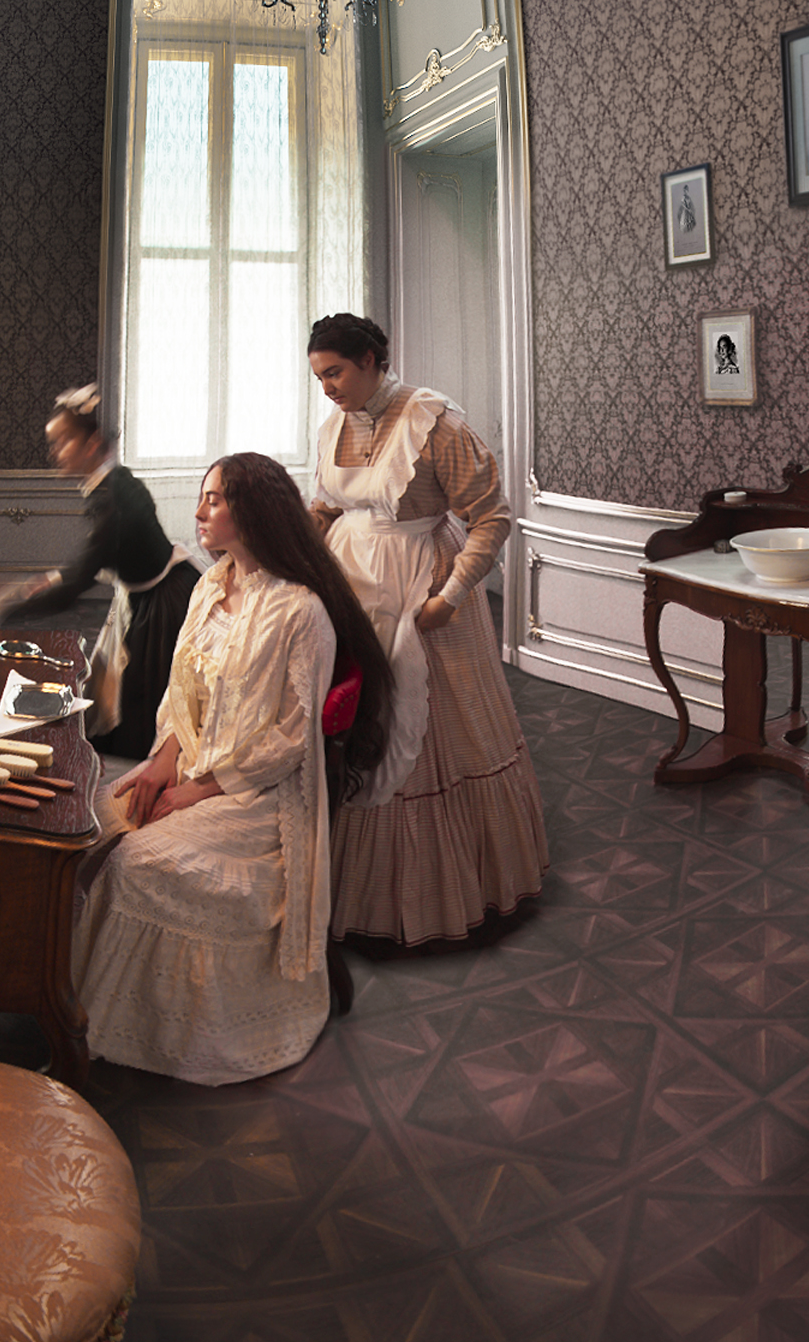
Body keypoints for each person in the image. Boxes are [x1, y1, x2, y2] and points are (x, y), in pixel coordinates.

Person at [74, 452, 393, 1085]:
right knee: (89, 825)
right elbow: (179, 694)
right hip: (191, 769)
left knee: (134, 862)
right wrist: (162, 763)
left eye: (214, 499)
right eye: (203, 497)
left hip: (262, 800)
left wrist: (198, 790)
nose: (198, 512)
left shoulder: (301, 612)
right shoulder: (207, 587)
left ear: (252, 511)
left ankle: (134, 1030)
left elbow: (292, 739)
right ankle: (68, 1002)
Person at [306, 313, 547, 944]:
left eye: (335, 373)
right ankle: (348, 885)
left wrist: (451, 596)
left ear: (370, 360)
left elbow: (491, 516)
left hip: (423, 585)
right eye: (319, 377)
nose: (327, 388)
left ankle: (439, 892)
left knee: (429, 723)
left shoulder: (434, 422)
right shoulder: (333, 426)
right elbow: (328, 506)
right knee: (351, 713)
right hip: (350, 582)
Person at [0, 384, 203, 761]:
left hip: (162, 604)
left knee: (144, 704)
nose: (55, 453)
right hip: (146, 593)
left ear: (92, 444)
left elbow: (78, 582)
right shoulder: (116, 480)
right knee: (122, 696)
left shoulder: (111, 499)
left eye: (63, 441)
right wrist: (51, 580)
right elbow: (97, 558)